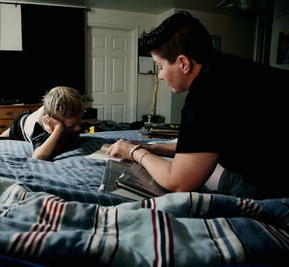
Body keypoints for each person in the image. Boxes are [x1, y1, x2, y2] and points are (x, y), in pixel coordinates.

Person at [106, 11, 288, 199]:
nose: (160, 75)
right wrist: (151, 148)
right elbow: (198, 146)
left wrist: (134, 152)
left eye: (160, 67)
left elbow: (178, 183)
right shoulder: (230, 67)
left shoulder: (207, 93)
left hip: (275, 191)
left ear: (183, 63)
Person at [0, 86, 83, 160]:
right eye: (71, 126)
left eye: (79, 122)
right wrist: (58, 128)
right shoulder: (40, 128)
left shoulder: (63, 114)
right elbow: (38, 156)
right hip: (20, 125)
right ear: (53, 124)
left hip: (33, 114)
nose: (78, 128)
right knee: (2, 137)